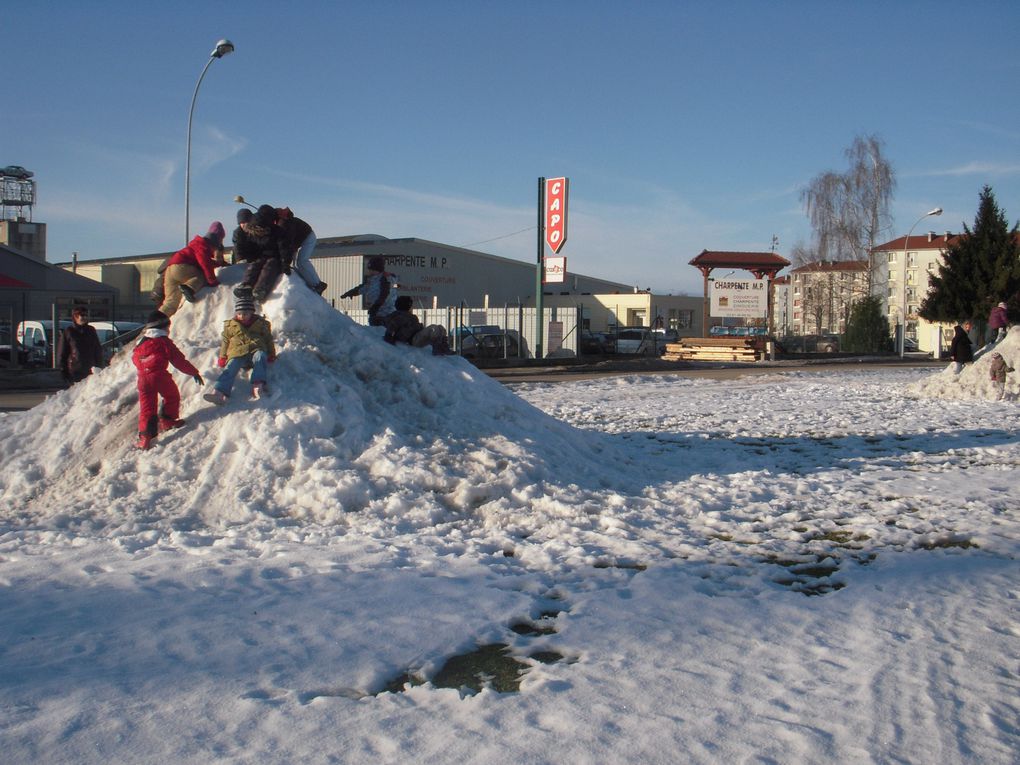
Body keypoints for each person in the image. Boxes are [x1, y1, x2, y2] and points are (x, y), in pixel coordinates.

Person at [132, 310, 204, 450]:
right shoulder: (164, 342)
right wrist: (193, 372)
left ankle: (145, 437)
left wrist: (145, 367)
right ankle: (167, 420)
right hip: (160, 376)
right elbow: (178, 360)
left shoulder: (141, 342)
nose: (169, 330)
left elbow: (135, 358)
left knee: (147, 408)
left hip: (142, 379)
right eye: (167, 327)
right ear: (162, 327)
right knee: (172, 396)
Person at [204, 292, 277, 404]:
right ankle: (219, 392)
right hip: (237, 352)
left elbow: (268, 339)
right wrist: (223, 356)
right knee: (231, 367)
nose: (242, 316)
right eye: (239, 314)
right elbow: (225, 341)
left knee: (260, 357)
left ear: (252, 313)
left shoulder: (261, 324)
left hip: (256, 349)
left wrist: (272, 353)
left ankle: (258, 385)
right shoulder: (230, 325)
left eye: (245, 314)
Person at [159, 222, 225, 317]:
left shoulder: (197, 244)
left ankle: (155, 322)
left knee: (171, 302)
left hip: (170, 270)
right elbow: (205, 263)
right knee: (201, 276)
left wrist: (220, 264)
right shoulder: (203, 246)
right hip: (182, 266)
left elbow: (207, 262)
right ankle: (190, 288)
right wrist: (212, 281)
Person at [233, 204, 289, 302]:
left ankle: (261, 288)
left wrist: (285, 263)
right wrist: (249, 258)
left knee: (269, 268)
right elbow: (249, 245)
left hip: (275, 257)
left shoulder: (278, 232)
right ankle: (246, 284)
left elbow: (284, 248)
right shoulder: (254, 229)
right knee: (255, 265)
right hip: (261, 256)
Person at [276, 206, 327, 295]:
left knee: (302, 261)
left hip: (308, 237)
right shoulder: (285, 220)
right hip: (299, 240)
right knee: (296, 265)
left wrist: (286, 261)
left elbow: (287, 243)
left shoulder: (285, 223)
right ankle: (308, 283)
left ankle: (318, 284)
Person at [384, 295, 452, 355]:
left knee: (440, 327)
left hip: (417, 336)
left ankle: (443, 347)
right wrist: (389, 335)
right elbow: (392, 324)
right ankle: (438, 349)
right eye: (409, 304)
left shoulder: (410, 316)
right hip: (413, 339)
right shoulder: (399, 315)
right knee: (433, 328)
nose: (410, 306)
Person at [340, 255, 397, 326]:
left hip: (385, 313)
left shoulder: (385, 279)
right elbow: (363, 288)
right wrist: (351, 293)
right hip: (376, 312)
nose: (369, 271)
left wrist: (376, 306)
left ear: (376, 269)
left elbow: (385, 294)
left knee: (380, 332)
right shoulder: (372, 279)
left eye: (371, 269)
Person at [57, 306, 104, 384]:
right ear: (75, 317)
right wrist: (63, 370)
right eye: (81, 315)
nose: (83, 317)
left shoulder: (91, 330)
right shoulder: (69, 331)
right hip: (74, 371)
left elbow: (97, 350)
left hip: (90, 370)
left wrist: (99, 366)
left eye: (85, 315)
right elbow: (62, 352)